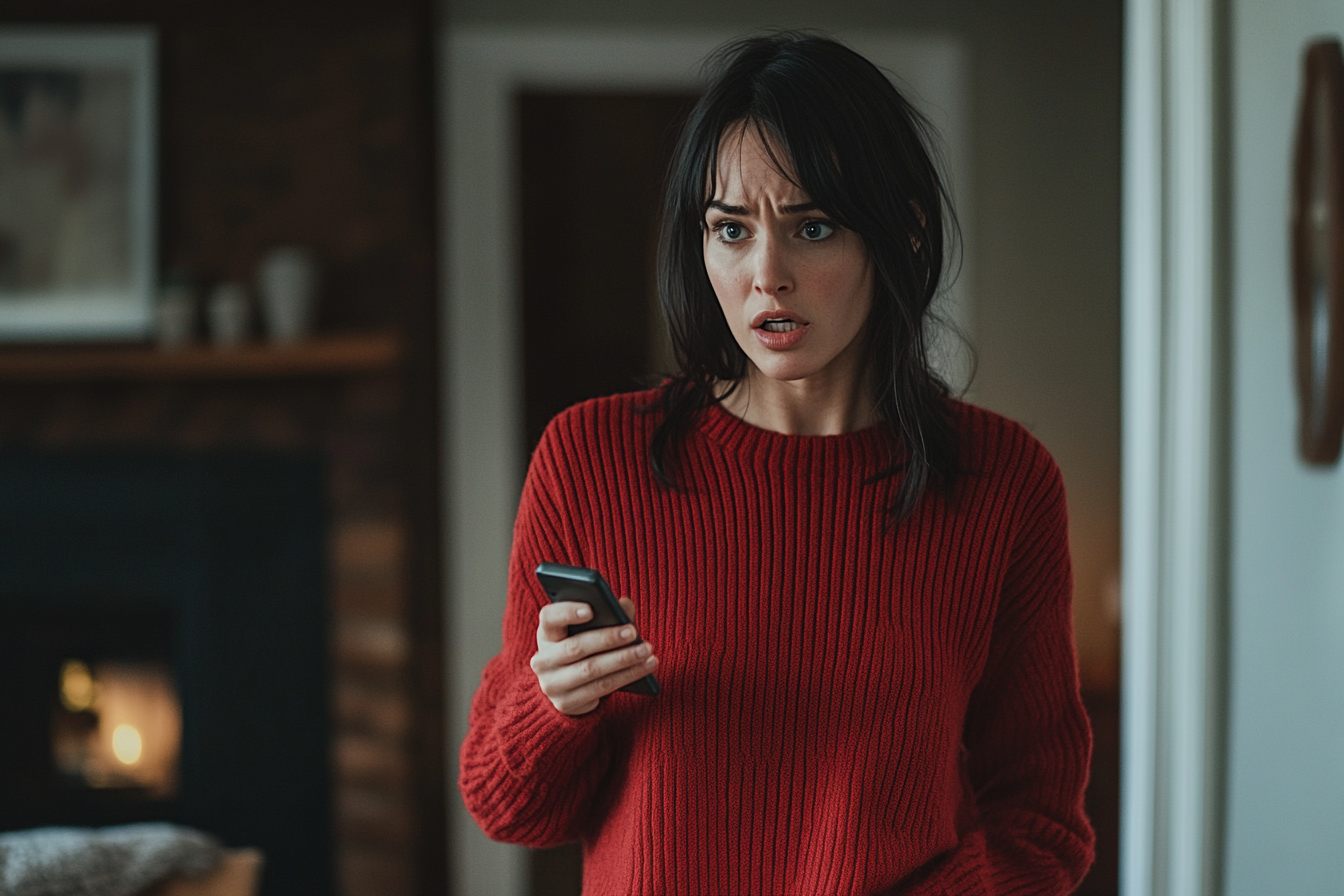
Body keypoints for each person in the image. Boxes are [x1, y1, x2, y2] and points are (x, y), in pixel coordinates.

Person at [460, 32, 1095, 896]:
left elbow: (1042, 824)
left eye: (814, 227)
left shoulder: (1003, 482)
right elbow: (512, 811)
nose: (767, 274)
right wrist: (553, 704)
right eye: (731, 229)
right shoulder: (590, 458)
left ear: (900, 232)